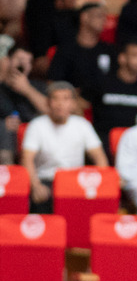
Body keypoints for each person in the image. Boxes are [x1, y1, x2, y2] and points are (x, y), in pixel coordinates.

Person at [21, 82, 107, 214]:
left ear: (73, 103)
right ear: (48, 102)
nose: (60, 104)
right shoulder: (37, 125)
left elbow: (100, 158)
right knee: (41, 200)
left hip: (75, 181)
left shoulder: (82, 125)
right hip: (46, 180)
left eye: (66, 99)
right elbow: (27, 159)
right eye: (56, 98)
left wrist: (99, 183)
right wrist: (35, 185)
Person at [82, 39, 137, 151]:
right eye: (136, 56)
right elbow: (81, 104)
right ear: (122, 58)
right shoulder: (102, 82)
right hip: (103, 142)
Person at [49, 3, 114, 95]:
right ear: (84, 17)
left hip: (103, 104)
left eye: (105, 17)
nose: (104, 20)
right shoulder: (66, 49)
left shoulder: (109, 50)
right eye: (99, 16)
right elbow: (53, 82)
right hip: (72, 103)